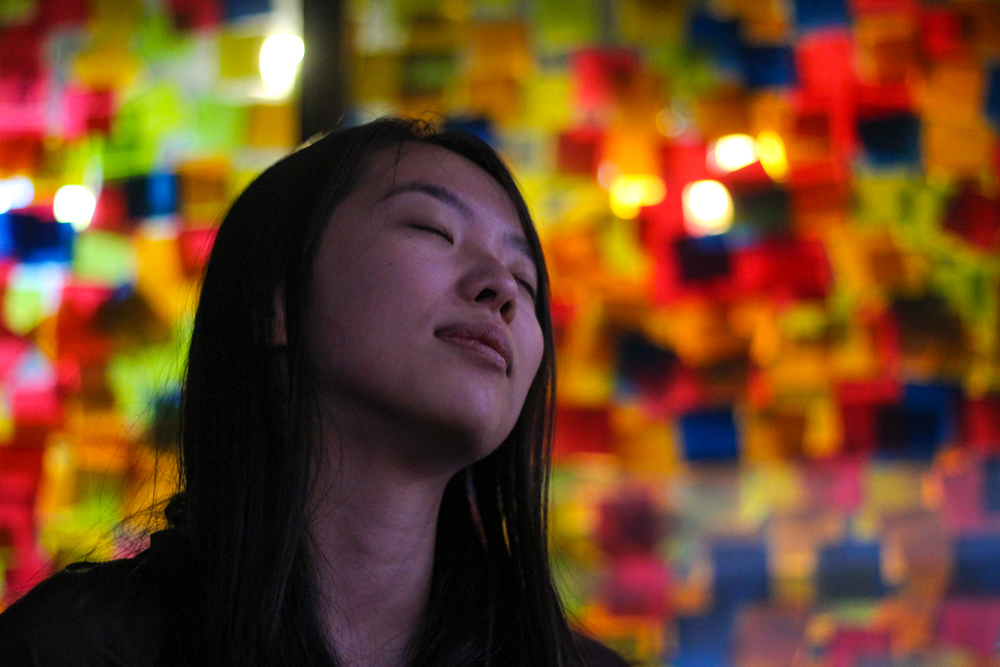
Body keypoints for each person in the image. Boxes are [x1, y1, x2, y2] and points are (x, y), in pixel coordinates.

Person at [0, 118, 629, 666]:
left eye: (525, 276)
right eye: (432, 229)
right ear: (276, 303)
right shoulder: (77, 648)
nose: (502, 289)